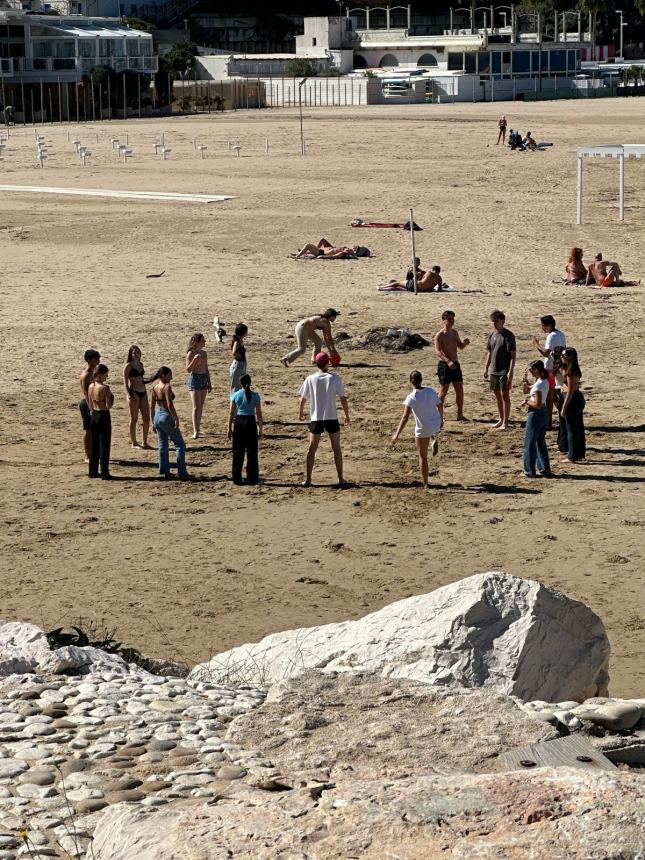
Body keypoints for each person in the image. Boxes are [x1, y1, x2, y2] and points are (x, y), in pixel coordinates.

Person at [298, 352, 350, 488]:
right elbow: (343, 398)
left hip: (316, 417)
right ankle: (341, 478)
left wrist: (300, 412)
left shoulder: (310, 379)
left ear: (316, 364)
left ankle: (308, 479)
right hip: (331, 416)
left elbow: (303, 398)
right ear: (327, 363)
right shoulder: (334, 378)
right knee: (336, 448)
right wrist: (347, 415)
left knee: (312, 448)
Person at [392, 370, 444, 489]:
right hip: (435, 424)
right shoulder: (431, 391)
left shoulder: (411, 397)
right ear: (422, 380)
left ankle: (425, 483)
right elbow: (439, 404)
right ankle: (433, 438)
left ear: (411, 382)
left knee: (423, 457)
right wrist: (441, 419)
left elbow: (405, 417)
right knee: (429, 425)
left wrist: (397, 434)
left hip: (423, 429)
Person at [150, 366, 190, 480]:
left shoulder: (154, 388)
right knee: (180, 445)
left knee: (162, 445)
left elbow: (152, 407)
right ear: (163, 375)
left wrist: (153, 421)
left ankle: (164, 471)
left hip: (158, 416)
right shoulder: (166, 387)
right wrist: (176, 418)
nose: (171, 378)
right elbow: (170, 404)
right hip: (166, 416)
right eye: (169, 375)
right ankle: (182, 472)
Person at [434, 310, 470, 421]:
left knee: (459, 389)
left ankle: (460, 415)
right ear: (443, 320)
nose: (451, 321)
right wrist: (447, 361)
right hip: (445, 365)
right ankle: (439, 416)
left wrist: (465, 343)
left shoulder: (454, 333)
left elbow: (460, 347)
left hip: (455, 364)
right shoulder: (440, 335)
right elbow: (438, 351)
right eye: (449, 319)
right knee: (443, 390)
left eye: (452, 319)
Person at [532, 315, 566, 430]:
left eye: (543, 325)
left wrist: (536, 344)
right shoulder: (561, 334)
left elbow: (546, 353)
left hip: (550, 368)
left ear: (548, 325)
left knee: (549, 398)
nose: (542, 328)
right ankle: (563, 418)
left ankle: (549, 423)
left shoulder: (551, 336)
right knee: (555, 397)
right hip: (558, 367)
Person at [228, 373, 263, 486]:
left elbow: (231, 413)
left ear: (240, 383)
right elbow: (259, 414)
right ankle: (252, 478)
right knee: (252, 452)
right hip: (250, 422)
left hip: (239, 422)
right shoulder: (255, 396)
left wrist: (229, 428)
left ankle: (237, 478)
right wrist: (260, 430)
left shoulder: (236, 395)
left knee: (238, 451)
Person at [485, 310, 516, 430]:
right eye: (493, 322)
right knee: (497, 395)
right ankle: (501, 419)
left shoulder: (509, 336)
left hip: (504, 370)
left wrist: (510, 372)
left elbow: (513, 356)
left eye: (496, 321)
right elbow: (489, 351)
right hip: (494, 370)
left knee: (505, 396)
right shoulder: (492, 335)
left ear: (503, 321)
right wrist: (486, 367)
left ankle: (506, 422)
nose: (494, 324)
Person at [520, 360, 552, 478]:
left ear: (537, 370)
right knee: (540, 442)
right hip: (543, 414)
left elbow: (537, 404)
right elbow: (526, 391)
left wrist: (526, 402)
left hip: (536, 414)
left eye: (531, 370)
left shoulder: (539, 384)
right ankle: (544, 468)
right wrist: (525, 381)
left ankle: (529, 471)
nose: (530, 371)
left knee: (530, 443)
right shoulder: (542, 381)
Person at [558, 347, 585, 464]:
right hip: (577, 398)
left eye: (564, 355)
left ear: (570, 357)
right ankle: (579, 453)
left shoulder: (570, 372)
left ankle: (572, 456)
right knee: (578, 427)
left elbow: (569, 391)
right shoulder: (573, 369)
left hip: (571, 399)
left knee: (571, 429)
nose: (561, 357)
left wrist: (564, 407)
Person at [88, 364, 114, 480]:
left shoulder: (90, 386)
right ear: (99, 375)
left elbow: (90, 404)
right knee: (104, 445)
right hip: (103, 415)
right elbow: (109, 405)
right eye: (105, 374)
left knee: (94, 444)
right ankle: (104, 472)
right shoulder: (105, 388)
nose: (107, 376)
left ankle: (92, 471)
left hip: (94, 415)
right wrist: (112, 397)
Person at [123, 345, 151, 449]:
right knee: (134, 418)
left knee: (146, 418)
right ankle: (134, 443)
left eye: (138, 352)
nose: (136, 354)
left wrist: (153, 378)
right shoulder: (128, 366)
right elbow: (125, 382)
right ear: (130, 354)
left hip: (143, 391)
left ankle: (144, 441)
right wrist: (128, 394)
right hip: (133, 392)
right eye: (134, 353)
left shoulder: (141, 364)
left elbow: (141, 378)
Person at [185, 333, 211, 439]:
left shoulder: (204, 353)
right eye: (203, 341)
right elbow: (188, 369)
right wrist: (194, 361)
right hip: (195, 379)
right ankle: (195, 431)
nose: (204, 342)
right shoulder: (191, 354)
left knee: (201, 406)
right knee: (196, 407)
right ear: (196, 342)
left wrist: (209, 381)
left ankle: (198, 428)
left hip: (203, 378)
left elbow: (206, 368)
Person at [79, 348, 101, 462]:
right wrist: (91, 408)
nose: (98, 360)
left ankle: (95, 453)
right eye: (96, 358)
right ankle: (87, 455)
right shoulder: (86, 375)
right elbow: (85, 393)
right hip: (87, 404)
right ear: (89, 360)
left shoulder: (94, 372)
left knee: (95, 430)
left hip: (94, 403)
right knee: (88, 430)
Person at [378, 265, 444, 293]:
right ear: (439, 271)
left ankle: (383, 287)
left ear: (433, 269)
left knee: (398, 283)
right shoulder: (439, 278)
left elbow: (419, 274)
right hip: (421, 290)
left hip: (415, 285)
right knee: (399, 288)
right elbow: (440, 289)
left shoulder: (429, 272)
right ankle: (383, 289)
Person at [293, 238, 358, 260]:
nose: (350, 248)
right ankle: (303, 252)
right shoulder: (344, 249)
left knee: (308, 245)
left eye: (350, 250)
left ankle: (297, 256)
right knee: (322, 240)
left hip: (321, 252)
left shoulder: (342, 253)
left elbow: (333, 257)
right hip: (329, 248)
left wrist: (323, 257)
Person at [230, 323, 248, 392]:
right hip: (238, 365)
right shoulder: (237, 342)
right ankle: (233, 402)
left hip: (241, 365)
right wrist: (238, 355)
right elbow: (234, 352)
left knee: (241, 385)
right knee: (235, 387)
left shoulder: (240, 341)